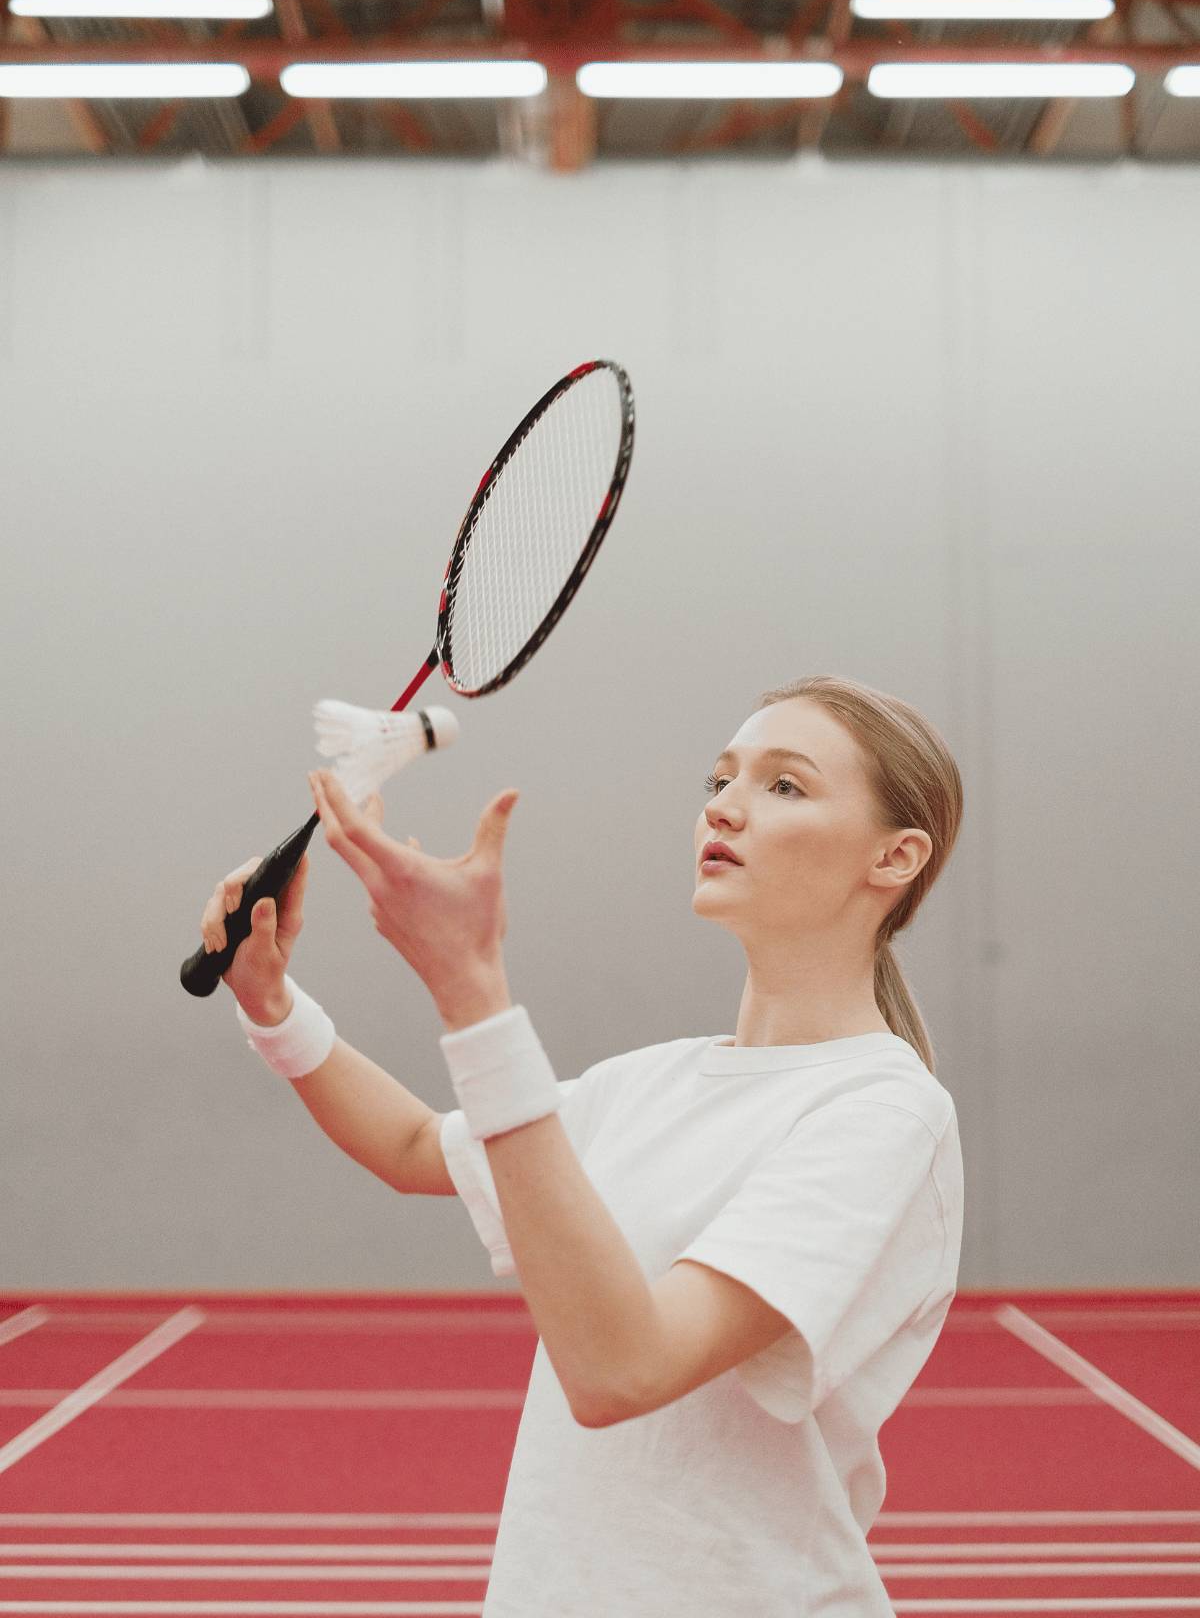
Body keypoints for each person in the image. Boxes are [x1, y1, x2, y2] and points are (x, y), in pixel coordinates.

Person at [200, 673, 965, 1617]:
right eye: (720, 779)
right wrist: (272, 1003)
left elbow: (622, 1370)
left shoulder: (883, 1113)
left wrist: (471, 990)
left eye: (784, 786)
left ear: (895, 857)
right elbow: (408, 1146)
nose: (725, 806)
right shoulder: (647, 1083)